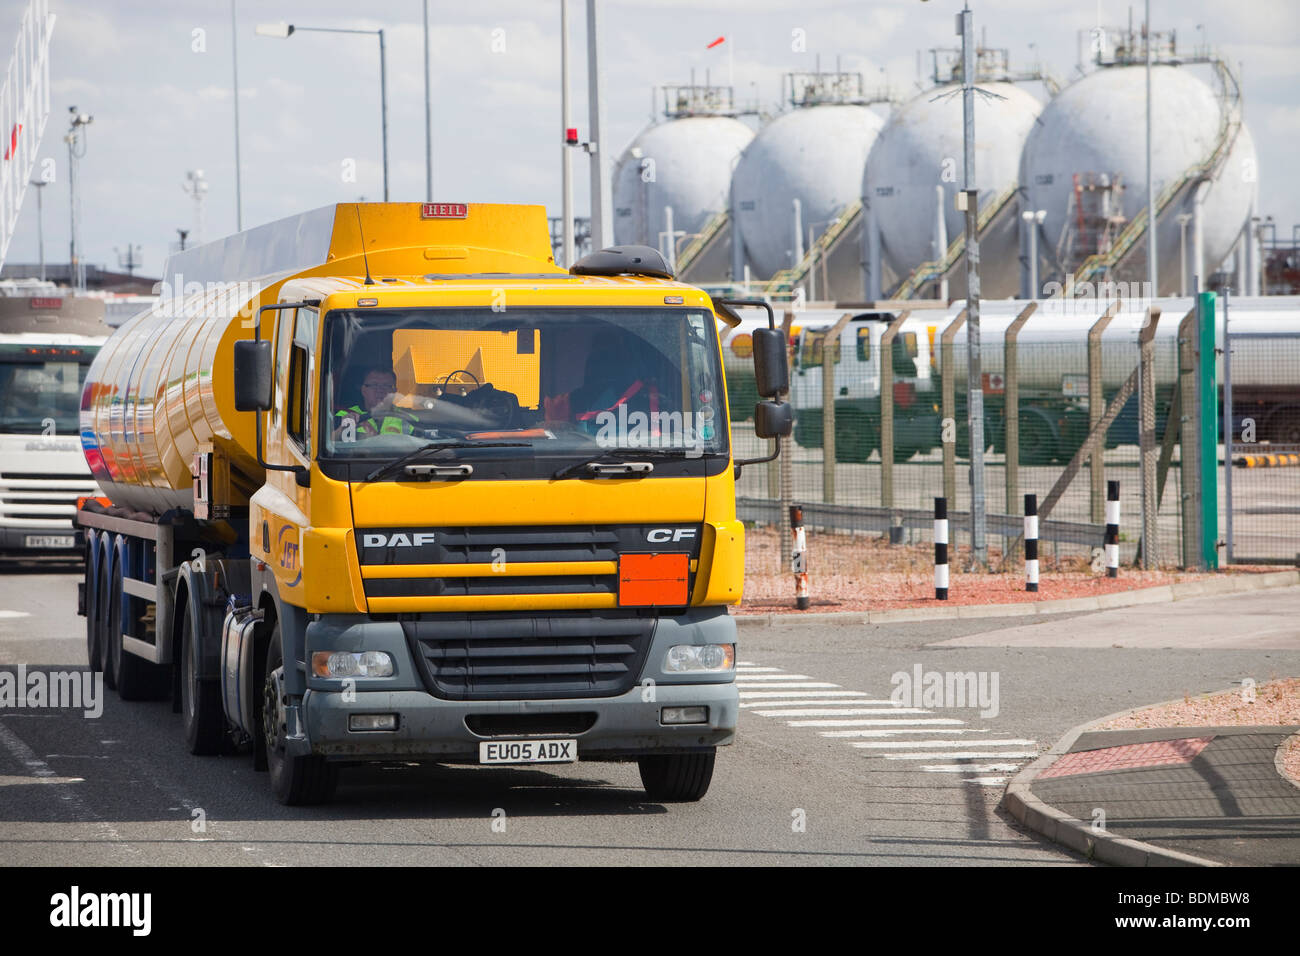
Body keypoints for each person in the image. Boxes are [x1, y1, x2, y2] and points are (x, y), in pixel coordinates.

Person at [333, 366, 416, 439]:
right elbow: (326, 444)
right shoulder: (344, 415)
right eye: (374, 385)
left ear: (394, 392)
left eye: (386, 386)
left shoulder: (408, 418)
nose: (380, 390)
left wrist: (374, 439)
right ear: (363, 390)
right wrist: (341, 429)